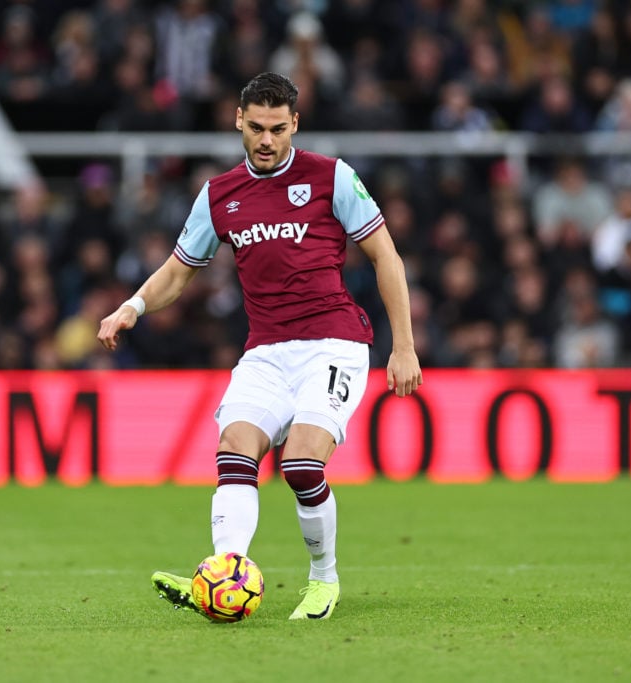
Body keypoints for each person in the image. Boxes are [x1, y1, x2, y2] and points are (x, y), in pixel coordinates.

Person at [97, 72, 422, 620]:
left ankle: (323, 580)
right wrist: (132, 306)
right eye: (255, 128)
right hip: (266, 351)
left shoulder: (331, 177)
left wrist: (405, 347)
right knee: (234, 453)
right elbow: (179, 272)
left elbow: (386, 257)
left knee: (300, 464)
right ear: (238, 122)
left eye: (277, 128)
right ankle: (225, 570)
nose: (266, 140)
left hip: (333, 345)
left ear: (295, 123)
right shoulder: (220, 195)